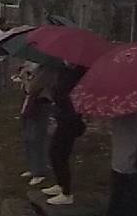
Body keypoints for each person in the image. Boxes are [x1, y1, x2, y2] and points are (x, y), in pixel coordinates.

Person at [41, 65, 87, 206]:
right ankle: (61, 184)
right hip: (63, 117)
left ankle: (66, 193)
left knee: (58, 154)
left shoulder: (77, 72)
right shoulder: (65, 70)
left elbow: (66, 95)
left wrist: (57, 94)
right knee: (56, 153)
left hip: (70, 119)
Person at [18, 63, 55, 188]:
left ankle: (39, 171)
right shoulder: (36, 67)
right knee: (28, 137)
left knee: (37, 138)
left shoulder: (48, 69)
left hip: (41, 104)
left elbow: (33, 88)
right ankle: (32, 167)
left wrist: (26, 79)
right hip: (30, 103)